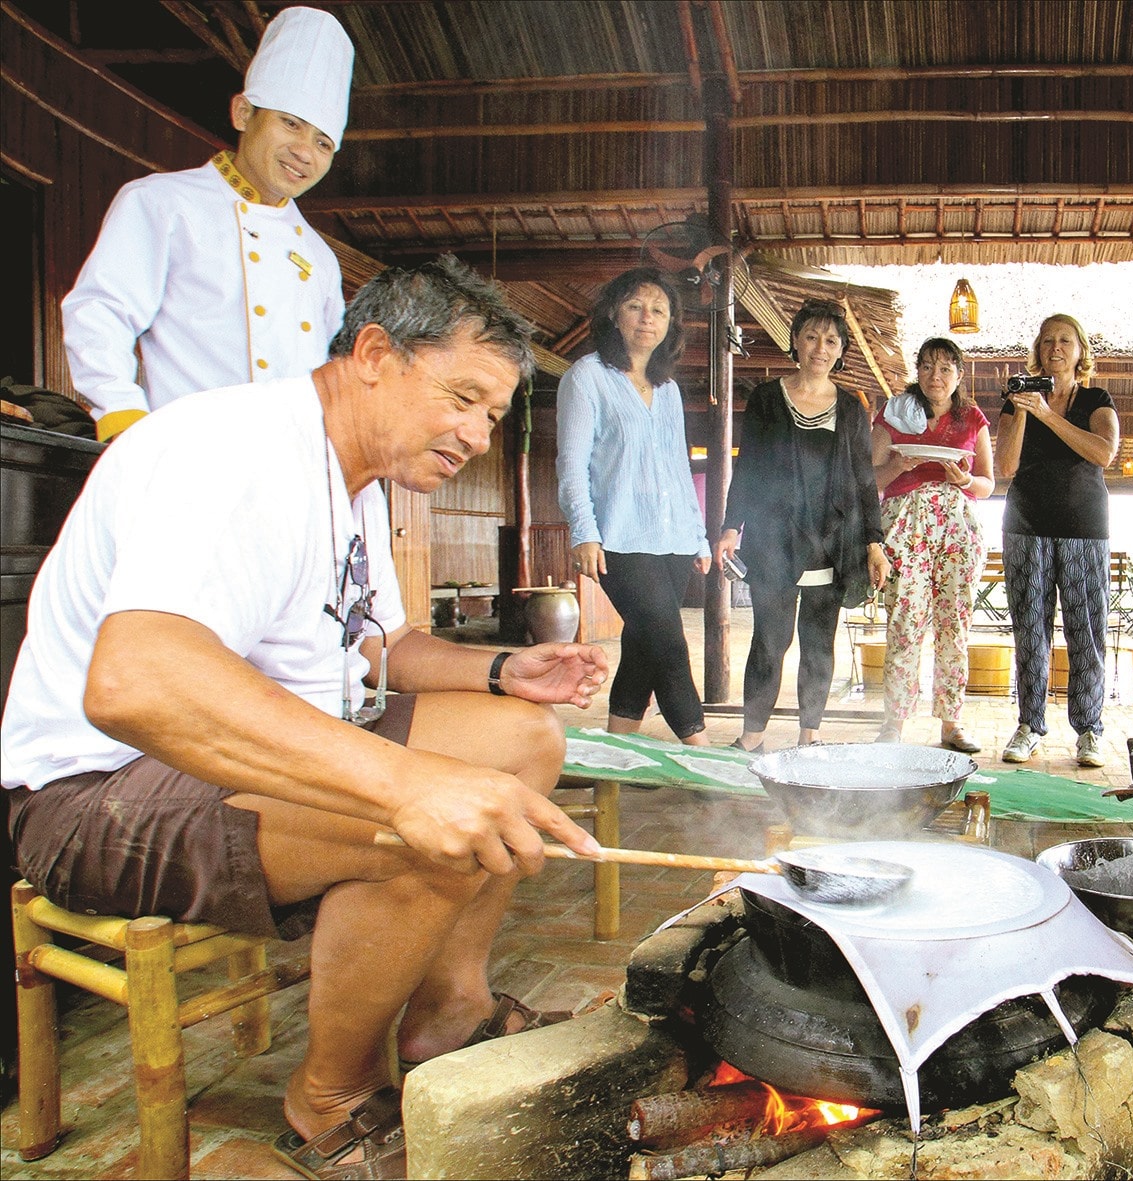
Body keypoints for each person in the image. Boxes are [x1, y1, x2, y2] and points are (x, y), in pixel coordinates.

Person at [3, 257, 613, 1178]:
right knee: (426, 820)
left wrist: (501, 669)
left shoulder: (355, 481)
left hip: (227, 773)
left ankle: (449, 1013)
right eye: (461, 397)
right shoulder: (236, 449)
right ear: (374, 353)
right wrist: (407, 783)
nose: (478, 435)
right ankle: (332, 1094)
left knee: (520, 739)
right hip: (93, 798)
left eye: (491, 414)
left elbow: (381, 646)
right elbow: (135, 682)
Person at [61, 6, 353, 442]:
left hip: (289, 469)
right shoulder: (162, 203)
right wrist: (121, 413)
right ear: (243, 113)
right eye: (290, 123)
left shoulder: (319, 258)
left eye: (323, 142)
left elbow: (332, 371)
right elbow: (101, 311)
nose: (304, 152)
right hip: (187, 456)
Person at [714, 300, 889, 752]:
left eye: (831, 340)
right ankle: (752, 737)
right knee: (769, 641)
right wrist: (732, 527)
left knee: (818, 643)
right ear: (795, 341)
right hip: (775, 539)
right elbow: (748, 467)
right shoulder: (767, 398)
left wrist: (874, 542)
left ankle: (809, 735)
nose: (820, 347)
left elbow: (864, 478)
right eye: (811, 336)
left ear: (841, 349)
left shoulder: (851, 408)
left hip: (832, 542)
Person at [557, 268, 712, 745]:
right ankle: (703, 753)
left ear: (671, 324)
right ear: (613, 314)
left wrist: (699, 535)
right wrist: (584, 530)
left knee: (643, 645)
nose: (648, 318)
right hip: (618, 538)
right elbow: (572, 462)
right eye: (635, 307)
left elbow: (676, 469)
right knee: (668, 642)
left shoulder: (668, 391)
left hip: (673, 540)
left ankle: (618, 751)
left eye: (659, 310)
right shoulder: (586, 378)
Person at [996, 314, 1120, 768]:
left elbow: (1104, 452)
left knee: (1086, 631)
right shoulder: (1018, 401)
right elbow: (1006, 466)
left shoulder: (1095, 399)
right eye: (1047, 340)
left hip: (1083, 527)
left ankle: (1089, 729)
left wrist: (1049, 415)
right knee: (1030, 629)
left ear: (1080, 350)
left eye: (1065, 340)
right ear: (1038, 349)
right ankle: (1029, 724)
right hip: (1025, 525)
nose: (1056, 347)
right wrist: (1027, 409)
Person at [871, 337, 995, 753]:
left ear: (959, 374)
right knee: (904, 621)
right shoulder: (894, 413)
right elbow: (870, 481)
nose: (935, 376)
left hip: (957, 525)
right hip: (905, 522)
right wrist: (897, 464)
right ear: (917, 371)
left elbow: (988, 484)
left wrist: (963, 480)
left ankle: (951, 723)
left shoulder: (972, 418)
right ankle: (894, 722)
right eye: (926, 367)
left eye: (945, 368)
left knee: (954, 623)